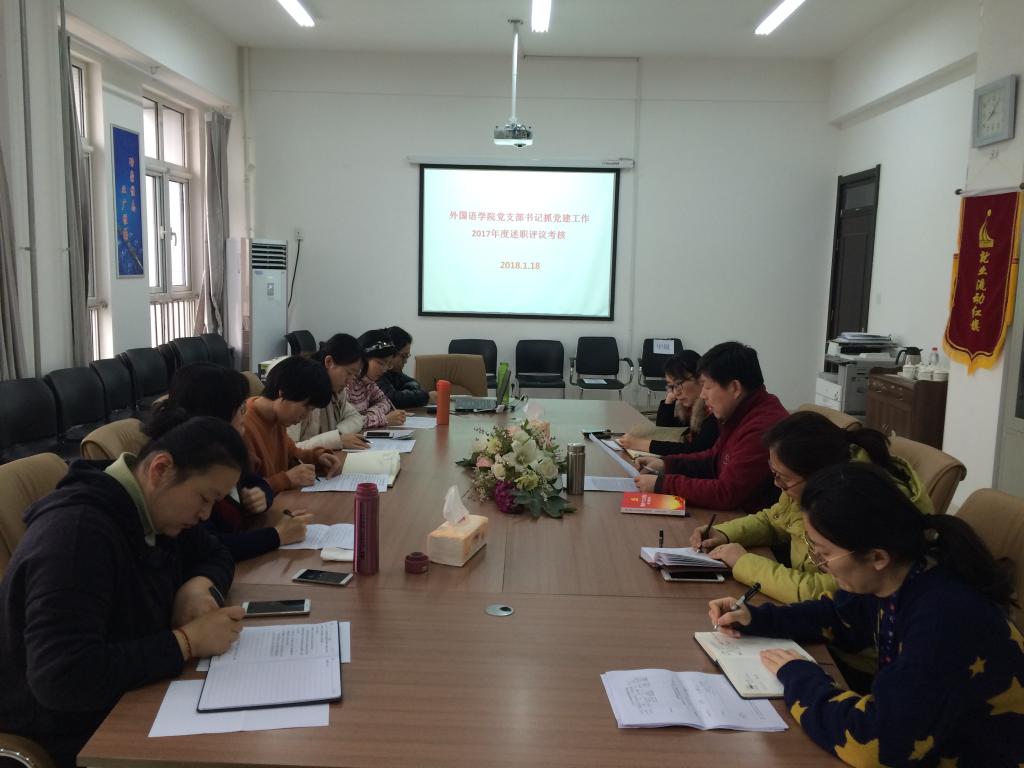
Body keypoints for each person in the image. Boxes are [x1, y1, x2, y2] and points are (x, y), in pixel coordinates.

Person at [709, 463, 1024, 766]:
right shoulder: (902, 573)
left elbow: (874, 744)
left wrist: (799, 676)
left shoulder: (943, 618)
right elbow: (839, 617)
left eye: (825, 553)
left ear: (877, 557)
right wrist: (757, 619)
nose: (820, 564)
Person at [0, 414, 248, 768]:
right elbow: (62, 678)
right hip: (72, 730)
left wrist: (197, 586)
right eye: (205, 498)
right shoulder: (77, 536)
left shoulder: (154, 508)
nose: (206, 514)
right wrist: (186, 642)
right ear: (160, 469)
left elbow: (216, 553)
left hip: (135, 693)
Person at [692, 410, 933, 602]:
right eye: (774, 473)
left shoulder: (857, 505)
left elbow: (821, 592)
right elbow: (776, 518)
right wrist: (724, 532)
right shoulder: (816, 483)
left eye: (783, 478)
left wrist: (744, 563)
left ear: (817, 474)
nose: (777, 484)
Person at [160, 362, 313, 559]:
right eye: (240, 409)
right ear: (217, 414)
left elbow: (254, 481)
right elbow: (205, 547)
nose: (244, 416)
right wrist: (277, 536)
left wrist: (260, 495)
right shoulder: (185, 468)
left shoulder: (223, 450)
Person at [634, 341, 787, 512]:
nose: (703, 395)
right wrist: (666, 465)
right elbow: (713, 458)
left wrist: (663, 484)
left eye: (707, 387)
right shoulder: (739, 412)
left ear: (734, 388)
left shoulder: (761, 428)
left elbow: (726, 493)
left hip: (747, 517)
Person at [243, 355, 343, 493]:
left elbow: (293, 454)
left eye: (312, 410)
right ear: (283, 393)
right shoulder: (243, 426)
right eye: (306, 407)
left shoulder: (277, 419)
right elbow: (246, 493)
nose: (306, 416)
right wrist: (286, 479)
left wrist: (318, 458)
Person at [616, 350, 718, 456]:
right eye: (671, 386)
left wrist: (641, 444)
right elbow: (666, 431)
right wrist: (669, 401)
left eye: (678, 384)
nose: (676, 392)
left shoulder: (712, 411)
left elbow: (695, 450)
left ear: (700, 379)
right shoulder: (689, 408)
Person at [288, 333, 370, 451]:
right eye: (348, 373)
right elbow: (289, 450)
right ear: (329, 362)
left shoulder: (336, 390)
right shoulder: (300, 387)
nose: (349, 382)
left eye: (354, 375)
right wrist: (335, 440)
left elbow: (355, 417)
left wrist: (338, 434)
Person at [349, 329, 407, 428]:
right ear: (363, 358)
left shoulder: (369, 382)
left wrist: (371, 414)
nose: (384, 369)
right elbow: (347, 423)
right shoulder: (347, 382)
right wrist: (383, 419)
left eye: (388, 364)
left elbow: (385, 402)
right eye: (380, 363)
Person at [377, 325, 429, 409]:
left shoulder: (394, 372)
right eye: (403, 356)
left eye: (407, 356)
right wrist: (426, 396)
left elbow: (413, 383)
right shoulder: (378, 372)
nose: (405, 361)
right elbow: (392, 399)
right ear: (391, 353)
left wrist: (407, 393)